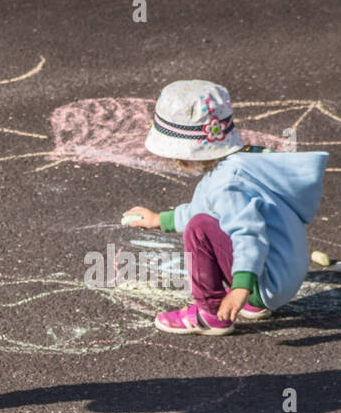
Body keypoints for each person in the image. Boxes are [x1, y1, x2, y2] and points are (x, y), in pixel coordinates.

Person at [122, 80, 328, 334]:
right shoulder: (244, 161)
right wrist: (159, 220)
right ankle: (254, 303)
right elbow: (208, 209)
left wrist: (240, 289)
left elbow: (248, 236)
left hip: (267, 284)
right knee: (207, 222)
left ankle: (210, 314)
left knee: (199, 230)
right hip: (284, 270)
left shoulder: (225, 185)